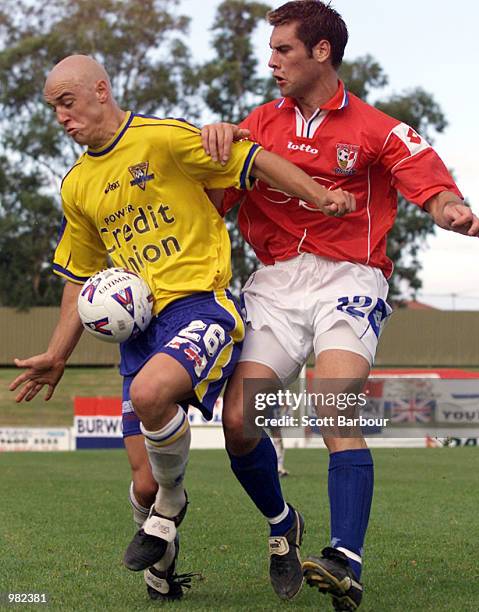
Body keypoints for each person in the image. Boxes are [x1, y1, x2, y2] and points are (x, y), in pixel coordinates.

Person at [8, 54, 356, 603]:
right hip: (136, 334)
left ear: (102, 90)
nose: (61, 118)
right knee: (143, 484)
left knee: (156, 402)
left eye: (67, 104)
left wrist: (319, 195)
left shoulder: (165, 140)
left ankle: (176, 507)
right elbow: (78, 276)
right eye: (53, 109)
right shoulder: (77, 186)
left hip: (201, 306)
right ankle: (192, 547)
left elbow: (255, 158)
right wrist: (57, 354)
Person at [201, 1, 479, 609]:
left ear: (322, 52)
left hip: (349, 280)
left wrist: (450, 211)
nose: (272, 60)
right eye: (272, 49)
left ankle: (346, 561)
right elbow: (206, 203)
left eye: (284, 50)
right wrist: (211, 151)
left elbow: (427, 180)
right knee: (238, 422)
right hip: (274, 284)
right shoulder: (255, 126)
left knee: (332, 407)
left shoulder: (376, 127)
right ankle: (283, 525)